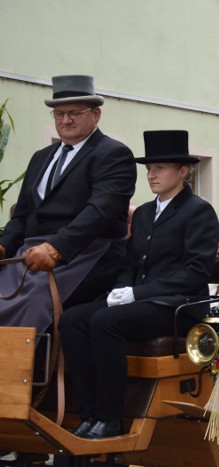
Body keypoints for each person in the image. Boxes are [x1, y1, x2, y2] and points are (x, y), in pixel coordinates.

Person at [60, 130, 219, 440]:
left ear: (183, 171)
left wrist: (137, 292)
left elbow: (195, 273)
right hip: (143, 303)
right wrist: (120, 289)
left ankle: (110, 417)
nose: (151, 175)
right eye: (148, 169)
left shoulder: (198, 211)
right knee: (72, 319)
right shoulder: (145, 212)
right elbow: (130, 263)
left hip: (177, 307)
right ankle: (89, 414)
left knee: (106, 322)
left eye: (159, 168)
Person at [0, 75, 136, 330]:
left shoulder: (113, 154)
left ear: (96, 114)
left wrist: (55, 249)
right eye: (58, 113)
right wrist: (3, 246)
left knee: (36, 300)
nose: (65, 120)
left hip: (87, 253)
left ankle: (31, 370)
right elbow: (22, 216)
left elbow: (98, 212)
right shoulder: (41, 158)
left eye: (74, 112)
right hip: (31, 255)